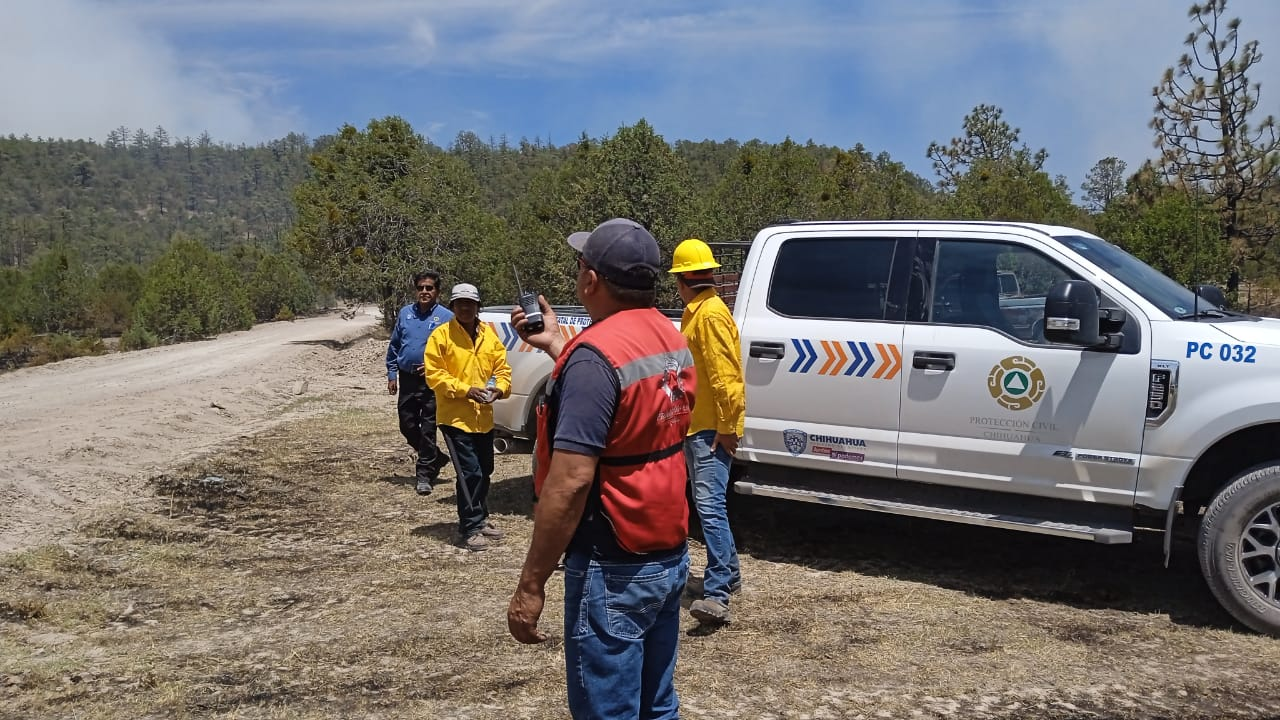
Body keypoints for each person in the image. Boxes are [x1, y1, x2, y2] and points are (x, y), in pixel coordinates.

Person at [507, 218, 697, 720]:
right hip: (667, 550)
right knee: (657, 705)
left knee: (608, 712)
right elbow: (628, 398)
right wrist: (554, 345)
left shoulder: (594, 360)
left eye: (580, 264)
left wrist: (531, 584)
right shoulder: (668, 335)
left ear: (591, 279)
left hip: (613, 561)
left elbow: (569, 484)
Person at [669, 238, 746, 627]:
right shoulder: (696, 312)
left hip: (711, 431)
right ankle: (728, 575)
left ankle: (717, 593)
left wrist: (729, 429)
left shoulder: (709, 315)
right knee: (708, 506)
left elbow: (726, 377)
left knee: (710, 507)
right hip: (700, 427)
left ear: (681, 279)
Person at [423, 283, 512, 551]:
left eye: (470, 304)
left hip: (483, 417)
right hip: (455, 418)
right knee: (469, 472)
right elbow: (434, 375)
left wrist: (499, 389)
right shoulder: (441, 336)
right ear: (452, 307)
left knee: (485, 471)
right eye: (460, 303)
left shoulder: (489, 336)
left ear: (478, 307)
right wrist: (466, 390)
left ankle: (481, 517)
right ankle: (470, 526)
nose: (465, 308)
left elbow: (503, 369)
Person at [386, 271, 453, 495]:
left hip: (432, 380)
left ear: (437, 292)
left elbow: (454, 351)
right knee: (406, 424)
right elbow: (395, 345)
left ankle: (424, 474)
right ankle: (437, 456)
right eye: (421, 288)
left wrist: (436, 367)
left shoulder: (446, 317)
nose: (425, 292)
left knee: (428, 427)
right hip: (407, 378)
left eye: (429, 288)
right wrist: (391, 373)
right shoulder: (405, 313)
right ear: (416, 290)